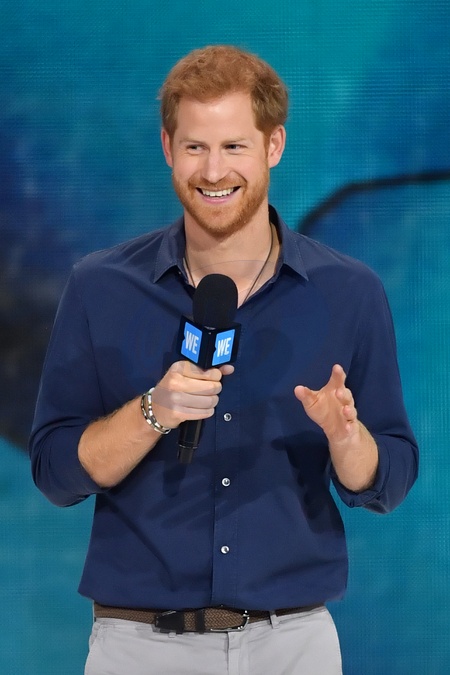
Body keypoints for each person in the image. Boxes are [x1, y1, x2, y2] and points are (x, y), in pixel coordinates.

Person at [29, 45, 418, 675]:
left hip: (292, 645)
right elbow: (54, 472)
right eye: (195, 147)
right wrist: (151, 413)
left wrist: (348, 439)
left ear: (274, 145)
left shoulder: (350, 292)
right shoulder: (99, 287)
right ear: (167, 148)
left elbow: (391, 477)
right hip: (139, 646)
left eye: (234, 146)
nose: (213, 171)